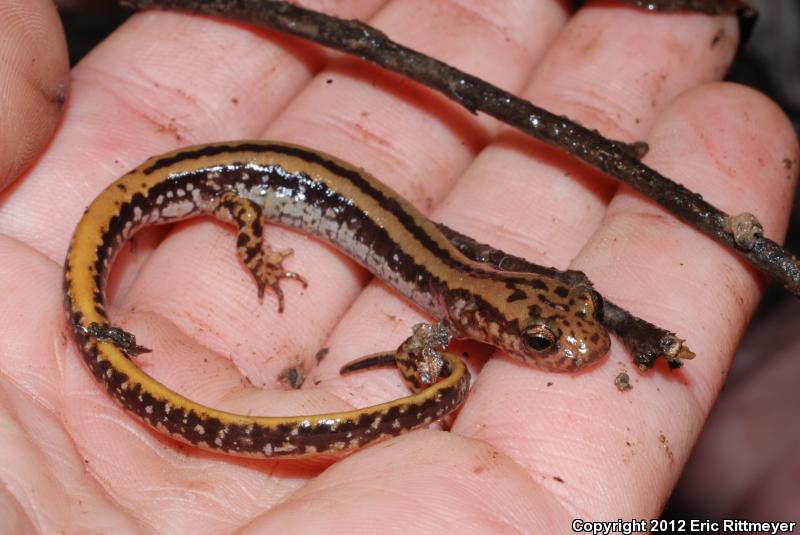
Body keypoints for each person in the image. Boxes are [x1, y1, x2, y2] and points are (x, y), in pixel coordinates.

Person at [0, 0, 796, 531]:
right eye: (545, 342)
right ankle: (220, 240)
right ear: (488, 319)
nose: (574, 351)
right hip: (209, 182)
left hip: (238, 171)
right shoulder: (450, 306)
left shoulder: (455, 294)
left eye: (553, 337)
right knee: (246, 207)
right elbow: (426, 351)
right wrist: (258, 247)